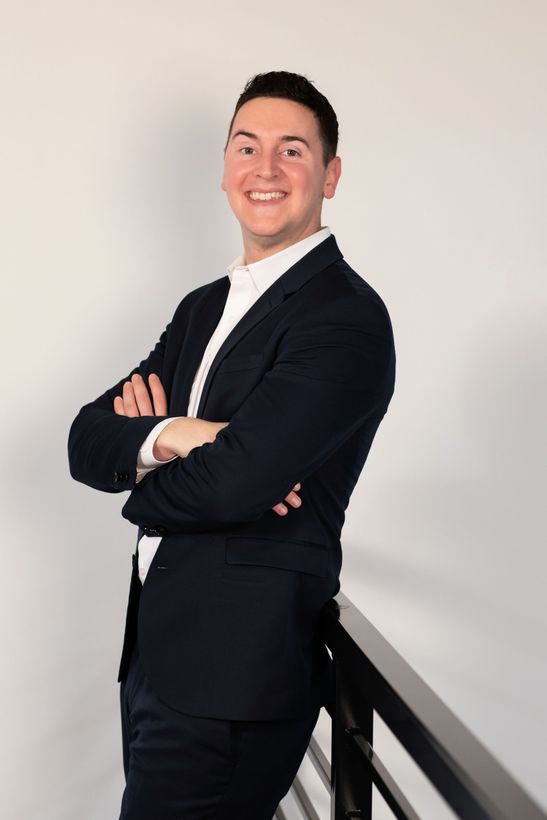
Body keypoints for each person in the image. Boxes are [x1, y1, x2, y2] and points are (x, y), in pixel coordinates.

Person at [68, 70, 396, 820]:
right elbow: (86, 440)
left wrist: (153, 468)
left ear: (330, 175)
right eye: (247, 147)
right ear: (223, 171)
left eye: (293, 150)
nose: (266, 168)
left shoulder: (342, 318)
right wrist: (184, 434)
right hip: (160, 658)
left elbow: (234, 485)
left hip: (233, 682)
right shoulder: (203, 307)